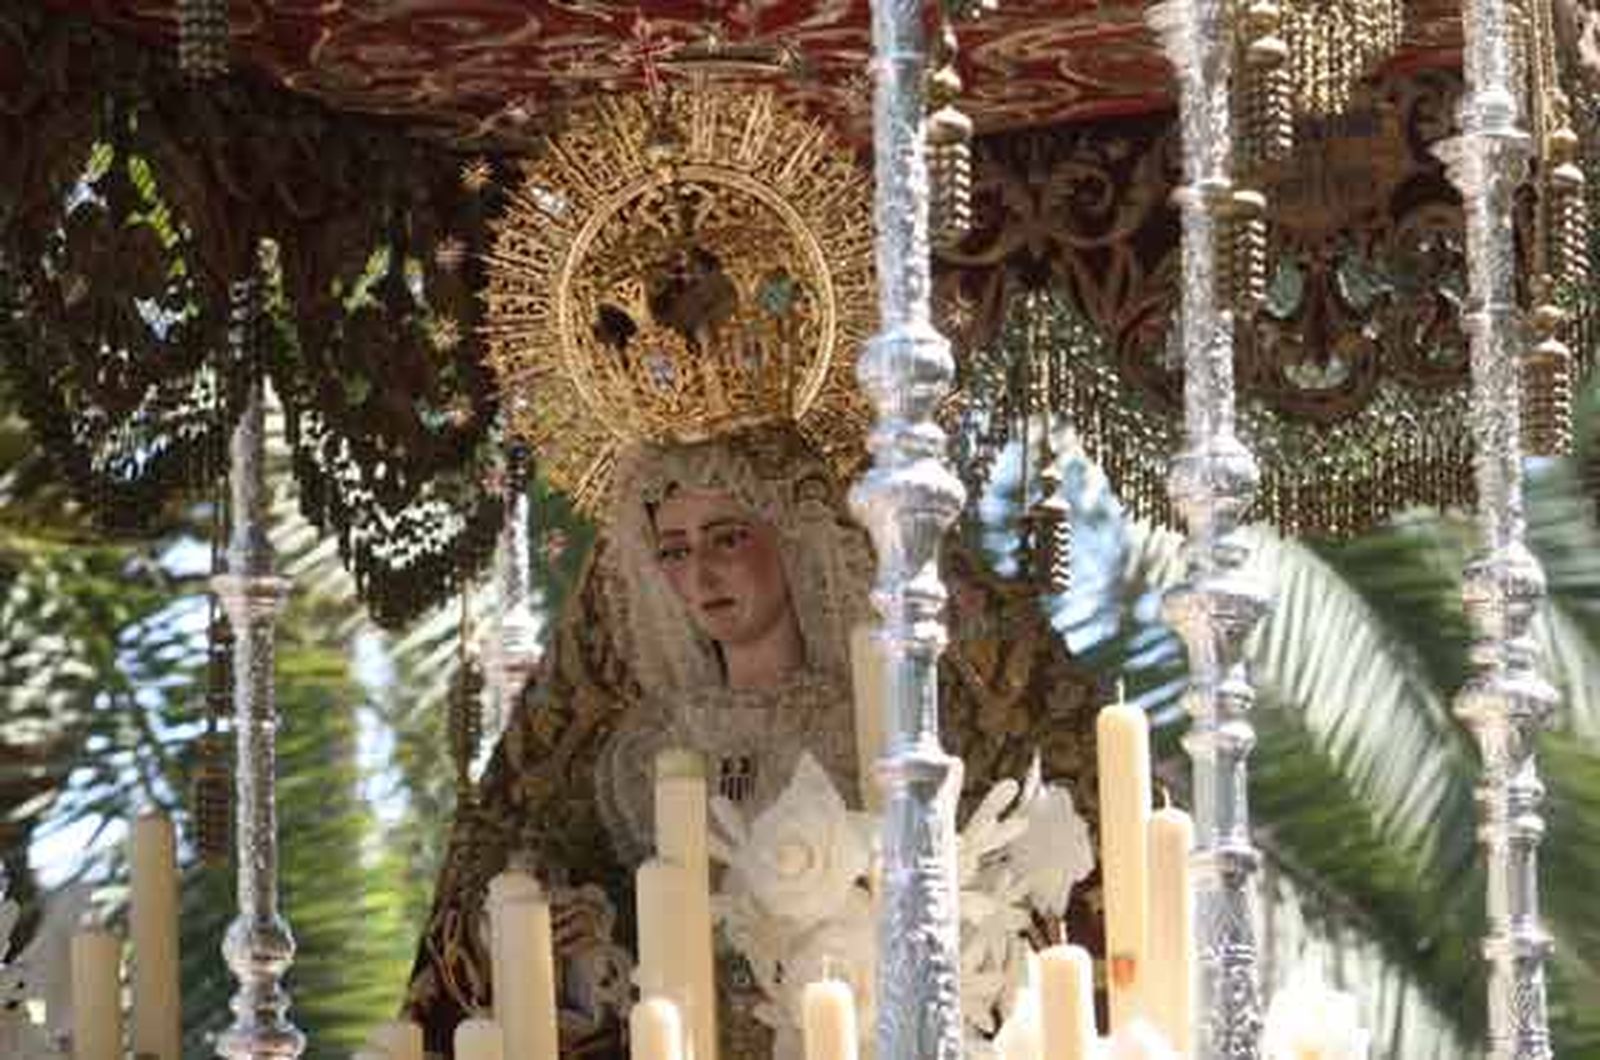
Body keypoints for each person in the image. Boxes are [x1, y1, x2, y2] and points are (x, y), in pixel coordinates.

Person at [403, 424, 1103, 1059]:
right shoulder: (645, 750)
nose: (701, 574)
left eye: (727, 537)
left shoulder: (874, 723)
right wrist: (577, 942)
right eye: (674, 550)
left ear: (792, 536)